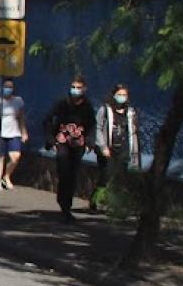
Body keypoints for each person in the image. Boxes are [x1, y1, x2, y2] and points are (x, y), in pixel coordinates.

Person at [44, 75, 98, 222]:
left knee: (72, 175)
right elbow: (48, 120)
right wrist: (51, 140)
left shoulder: (87, 106)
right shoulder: (62, 103)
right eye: (73, 87)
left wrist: (89, 142)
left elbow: (92, 125)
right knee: (64, 172)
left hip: (78, 144)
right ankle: (63, 202)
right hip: (62, 142)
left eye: (79, 88)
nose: (75, 90)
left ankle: (66, 206)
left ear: (84, 89)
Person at [92, 83, 140, 212]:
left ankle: (115, 205)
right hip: (108, 148)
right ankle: (96, 201)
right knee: (105, 175)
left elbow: (133, 131)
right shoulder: (105, 110)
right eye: (119, 94)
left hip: (123, 148)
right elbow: (98, 128)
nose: (122, 97)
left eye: (124, 95)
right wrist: (103, 146)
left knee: (120, 178)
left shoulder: (130, 112)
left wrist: (134, 152)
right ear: (113, 95)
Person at [0, 79, 27, 191]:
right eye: (6, 86)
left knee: (15, 157)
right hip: (0, 133)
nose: (8, 89)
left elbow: (21, 117)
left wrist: (24, 132)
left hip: (14, 132)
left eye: (10, 87)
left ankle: (6, 176)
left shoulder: (18, 101)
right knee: (0, 158)